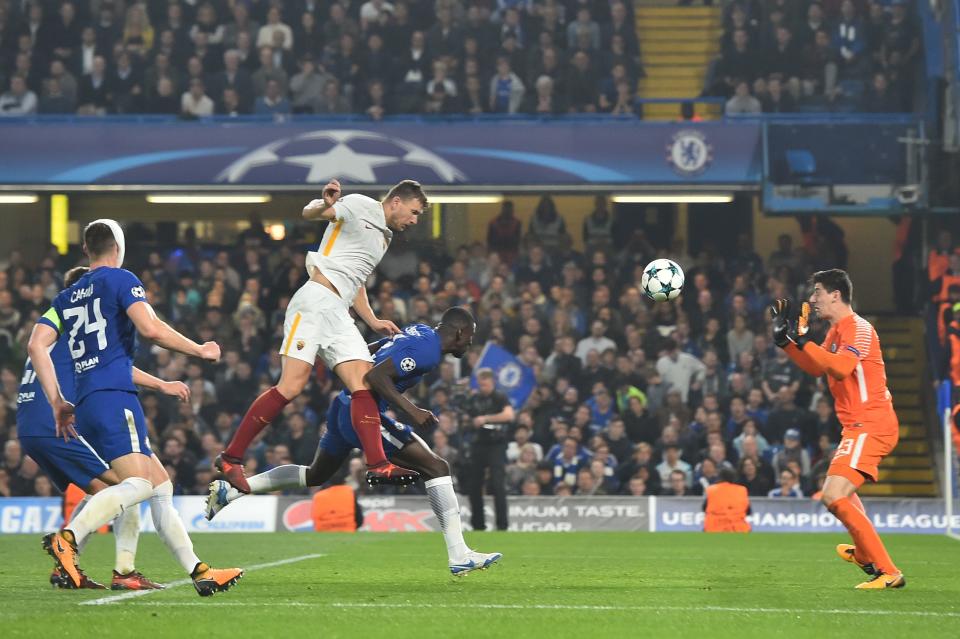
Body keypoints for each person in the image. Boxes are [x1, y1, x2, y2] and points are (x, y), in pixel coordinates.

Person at [28, 220, 243, 596]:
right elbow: (152, 329)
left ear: (85, 249)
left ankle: (198, 571)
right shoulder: (120, 279)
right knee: (139, 484)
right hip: (115, 396)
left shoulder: (66, 298)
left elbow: (35, 345)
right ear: (118, 247)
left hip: (89, 400)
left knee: (159, 485)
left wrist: (57, 402)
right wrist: (200, 349)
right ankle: (70, 537)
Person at [207, 309, 502, 574]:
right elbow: (376, 377)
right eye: (470, 337)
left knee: (316, 474)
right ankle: (459, 554)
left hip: (344, 405)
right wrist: (412, 411)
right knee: (437, 468)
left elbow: (374, 351)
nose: (470, 343)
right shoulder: (428, 352)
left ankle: (232, 490)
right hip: (363, 414)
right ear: (459, 332)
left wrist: (349, 370)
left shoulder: (421, 330)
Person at [216, 179, 428, 491]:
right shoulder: (361, 206)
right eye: (413, 212)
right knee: (291, 386)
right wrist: (325, 204)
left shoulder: (383, 237)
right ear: (395, 201)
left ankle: (378, 464)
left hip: (338, 311)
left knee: (364, 382)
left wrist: (372, 319)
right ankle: (230, 458)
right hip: (315, 302)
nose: (414, 220)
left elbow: (355, 282)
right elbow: (312, 213)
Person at [17, 267, 175, 590]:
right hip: (57, 423)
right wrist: (162, 385)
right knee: (131, 482)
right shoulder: (79, 334)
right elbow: (112, 371)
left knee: (104, 491)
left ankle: (66, 567)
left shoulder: (54, 330)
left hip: (30, 427)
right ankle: (122, 569)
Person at [770, 269, 905, 588]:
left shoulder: (857, 328)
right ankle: (865, 553)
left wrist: (804, 340)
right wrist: (787, 344)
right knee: (840, 493)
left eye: (817, 292)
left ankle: (888, 571)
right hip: (858, 426)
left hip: (871, 423)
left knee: (832, 495)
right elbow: (818, 367)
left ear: (836, 294)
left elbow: (842, 369)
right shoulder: (836, 331)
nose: (812, 300)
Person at [463, 368, 515, 531]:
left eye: (485, 384)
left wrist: (486, 418)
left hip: (496, 443)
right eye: (480, 384)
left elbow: (509, 416)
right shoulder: (474, 399)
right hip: (479, 443)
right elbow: (467, 418)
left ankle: (502, 525)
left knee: (498, 483)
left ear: (492, 382)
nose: (482, 387)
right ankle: (478, 525)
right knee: (474, 485)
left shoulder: (499, 397)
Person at [703, 467, 751, 532]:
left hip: (714, 529)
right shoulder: (742, 490)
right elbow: (748, 511)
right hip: (738, 529)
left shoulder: (711, 490)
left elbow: (704, 508)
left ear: (719, 477)